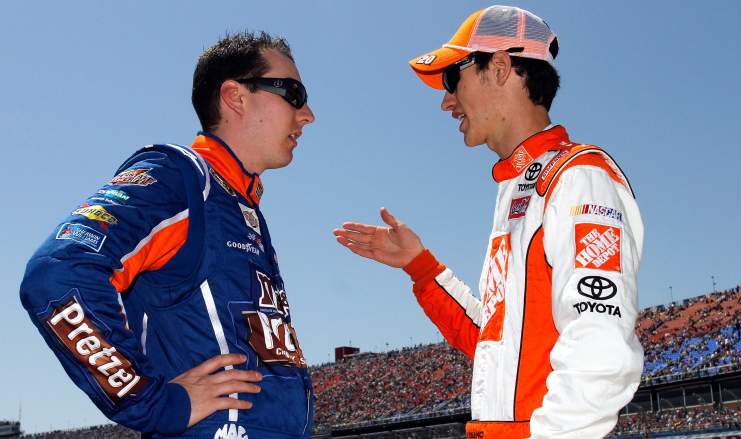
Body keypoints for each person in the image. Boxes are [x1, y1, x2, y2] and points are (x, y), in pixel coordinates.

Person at [334, 5, 644, 438]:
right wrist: (420, 266)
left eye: (451, 80)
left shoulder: (579, 177)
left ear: (499, 68)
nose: (446, 102)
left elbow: (601, 347)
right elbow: (491, 342)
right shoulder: (518, 187)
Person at [20, 31, 315, 438]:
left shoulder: (241, 202)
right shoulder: (180, 178)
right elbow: (56, 273)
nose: (307, 114)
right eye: (294, 94)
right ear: (236, 97)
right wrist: (150, 402)